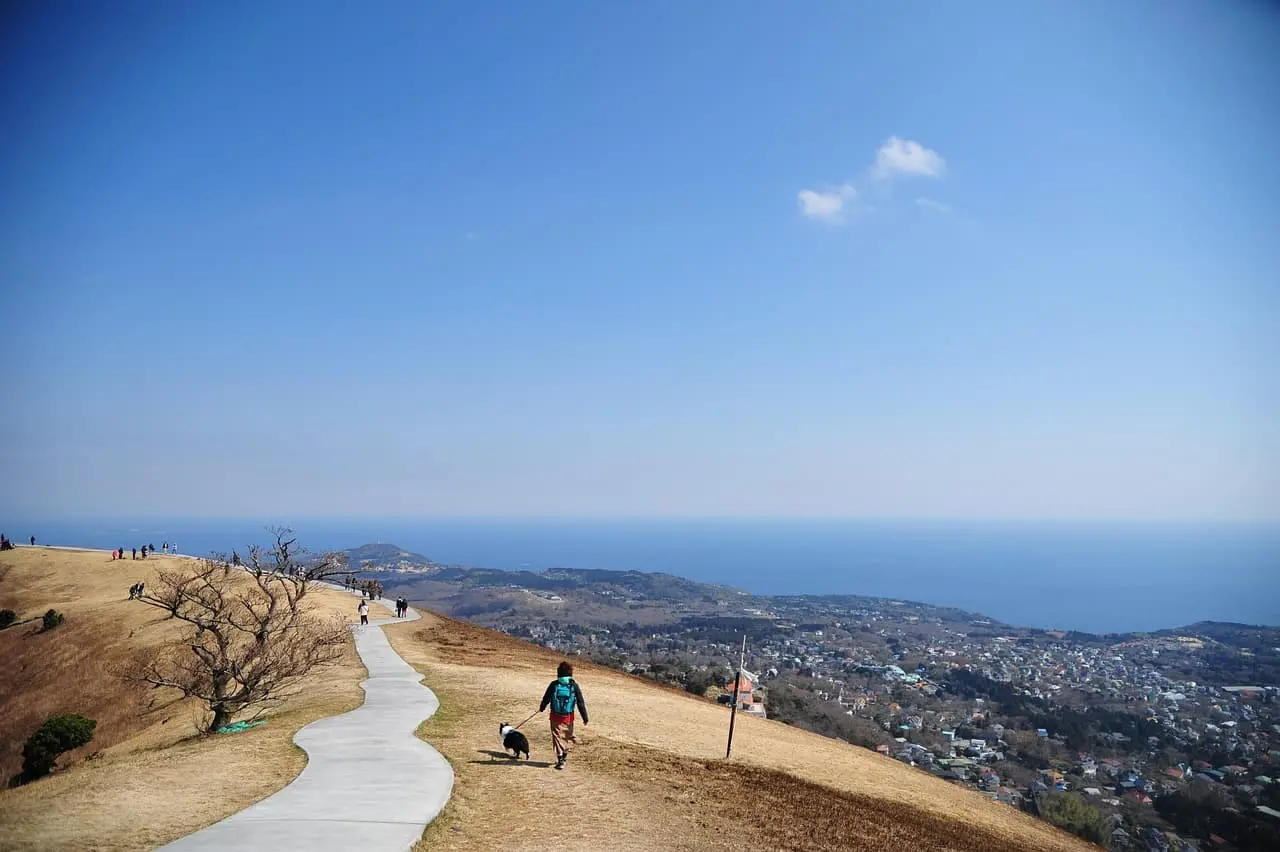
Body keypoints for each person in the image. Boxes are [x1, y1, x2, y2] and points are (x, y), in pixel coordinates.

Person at [539, 661, 589, 770]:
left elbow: (546, 698)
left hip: (555, 716)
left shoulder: (554, 684)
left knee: (557, 737)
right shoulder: (574, 685)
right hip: (569, 717)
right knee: (566, 736)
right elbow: (580, 702)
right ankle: (564, 756)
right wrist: (585, 717)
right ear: (570, 673)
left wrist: (541, 708)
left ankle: (560, 758)